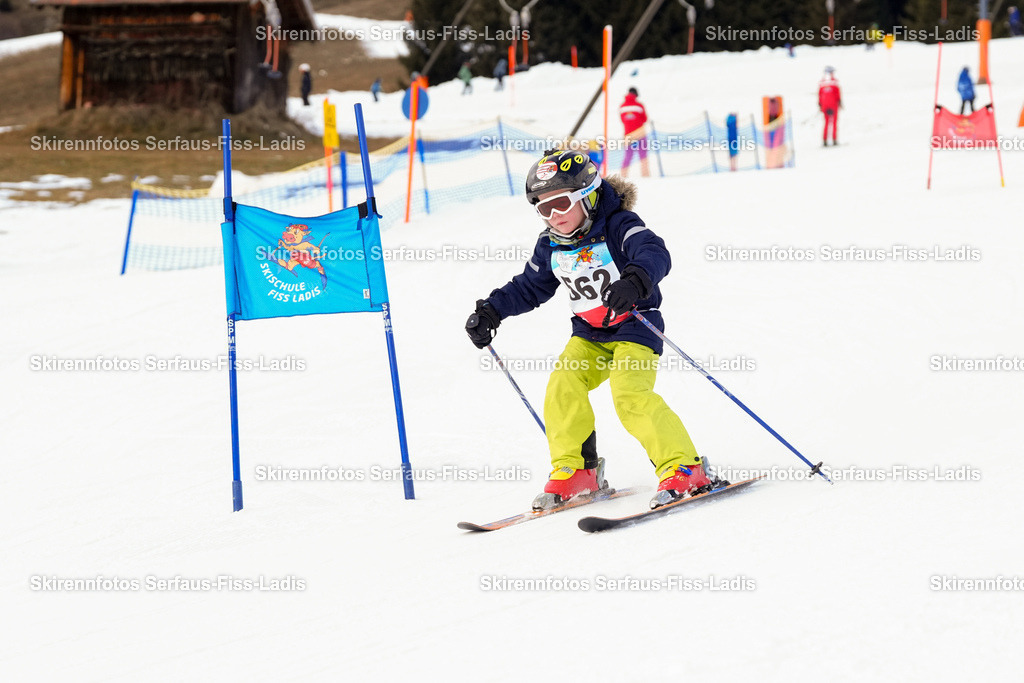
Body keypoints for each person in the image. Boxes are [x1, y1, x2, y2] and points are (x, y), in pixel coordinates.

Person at [464, 150, 709, 511]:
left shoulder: (618, 224)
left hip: (635, 327)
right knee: (562, 387)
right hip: (590, 335)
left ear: (588, 194)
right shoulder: (550, 243)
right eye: (543, 209)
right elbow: (530, 286)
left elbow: (654, 252)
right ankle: (577, 470)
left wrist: (634, 281)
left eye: (561, 203)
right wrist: (491, 310)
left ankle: (684, 467)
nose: (554, 216)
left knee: (629, 397)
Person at [619, 87, 649, 177]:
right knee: (643, 157)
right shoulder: (639, 105)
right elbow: (645, 119)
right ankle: (646, 175)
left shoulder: (622, 106)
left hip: (628, 135)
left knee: (628, 157)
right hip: (640, 133)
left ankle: (623, 176)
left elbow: (623, 120)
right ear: (636, 95)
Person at [818, 66, 841, 146]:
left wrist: (820, 105)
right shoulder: (834, 82)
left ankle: (824, 140)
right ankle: (834, 139)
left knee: (826, 122)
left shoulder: (822, 82)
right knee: (834, 122)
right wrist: (840, 102)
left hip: (824, 105)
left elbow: (820, 95)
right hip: (833, 104)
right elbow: (838, 94)